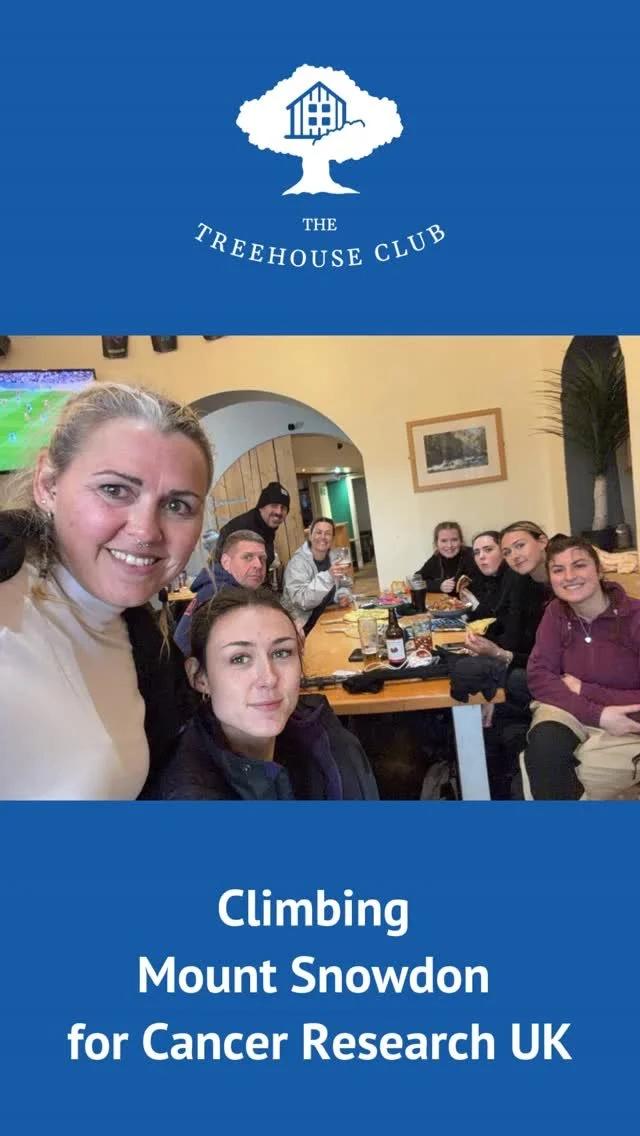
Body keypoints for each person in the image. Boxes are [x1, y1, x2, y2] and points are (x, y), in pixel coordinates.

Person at [0, 382, 214, 800]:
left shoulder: (144, 645)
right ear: (48, 484)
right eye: (115, 490)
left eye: (177, 506)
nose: (146, 531)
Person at [146, 588, 380, 800]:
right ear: (199, 677)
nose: (268, 678)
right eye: (239, 659)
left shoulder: (322, 733)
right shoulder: (191, 794)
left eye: (281, 653)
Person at [523, 535, 640, 800]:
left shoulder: (635, 617)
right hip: (573, 707)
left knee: (583, 772)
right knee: (544, 752)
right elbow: (539, 675)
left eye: (579, 565)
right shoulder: (556, 613)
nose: (569, 576)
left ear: (599, 570)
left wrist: (587, 691)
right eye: (558, 569)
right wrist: (597, 714)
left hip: (629, 719)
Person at [462, 521, 551, 798]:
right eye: (508, 551)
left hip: (546, 678)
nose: (514, 556)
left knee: (486, 689)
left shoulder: (552, 589)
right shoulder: (520, 581)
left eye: (520, 546)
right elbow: (511, 635)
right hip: (527, 667)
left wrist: (498, 664)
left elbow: (541, 660)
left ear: (543, 542)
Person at [174, 529, 267, 654]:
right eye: (248, 557)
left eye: (262, 558)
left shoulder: (226, 587)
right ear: (226, 562)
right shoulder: (220, 596)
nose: (258, 565)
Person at [282, 516, 351, 632]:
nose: (323, 537)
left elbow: (345, 584)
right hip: (302, 627)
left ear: (332, 538)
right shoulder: (297, 563)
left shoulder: (334, 558)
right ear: (310, 536)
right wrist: (328, 576)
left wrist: (342, 595)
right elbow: (302, 600)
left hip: (326, 618)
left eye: (328, 533)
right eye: (318, 532)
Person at [214, 481, 290, 571]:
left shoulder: (267, 528)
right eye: (274, 505)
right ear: (261, 507)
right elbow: (222, 569)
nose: (279, 512)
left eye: (283, 508)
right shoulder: (240, 530)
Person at [458, 530, 513, 621]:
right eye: (477, 552)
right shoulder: (480, 578)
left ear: (504, 552)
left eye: (488, 550)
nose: (481, 556)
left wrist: (475, 607)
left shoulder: (514, 579)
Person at [416, 522, 475, 594]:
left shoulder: (473, 555)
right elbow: (415, 581)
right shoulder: (436, 557)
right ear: (436, 543)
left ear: (461, 541)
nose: (449, 545)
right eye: (444, 541)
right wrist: (439, 586)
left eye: (454, 540)